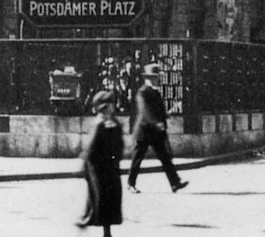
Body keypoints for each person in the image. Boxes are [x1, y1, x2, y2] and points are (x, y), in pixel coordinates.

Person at [127, 63, 188, 193]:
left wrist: (165, 114)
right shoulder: (142, 92)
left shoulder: (155, 92)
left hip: (155, 132)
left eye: (156, 77)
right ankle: (130, 183)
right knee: (138, 157)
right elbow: (145, 111)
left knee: (165, 157)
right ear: (147, 78)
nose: (156, 79)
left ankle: (175, 183)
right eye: (153, 77)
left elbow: (157, 110)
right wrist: (157, 122)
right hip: (144, 131)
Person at [78, 90, 126, 236]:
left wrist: (118, 157)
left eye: (111, 106)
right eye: (107, 107)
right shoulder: (98, 124)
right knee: (99, 195)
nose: (110, 109)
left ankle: (98, 224)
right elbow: (90, 146)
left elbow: (120, 143)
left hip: (111, 167)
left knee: (109, 197)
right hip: (97, 166)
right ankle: (95, 222)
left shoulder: (115, 123)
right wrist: (84, 163)